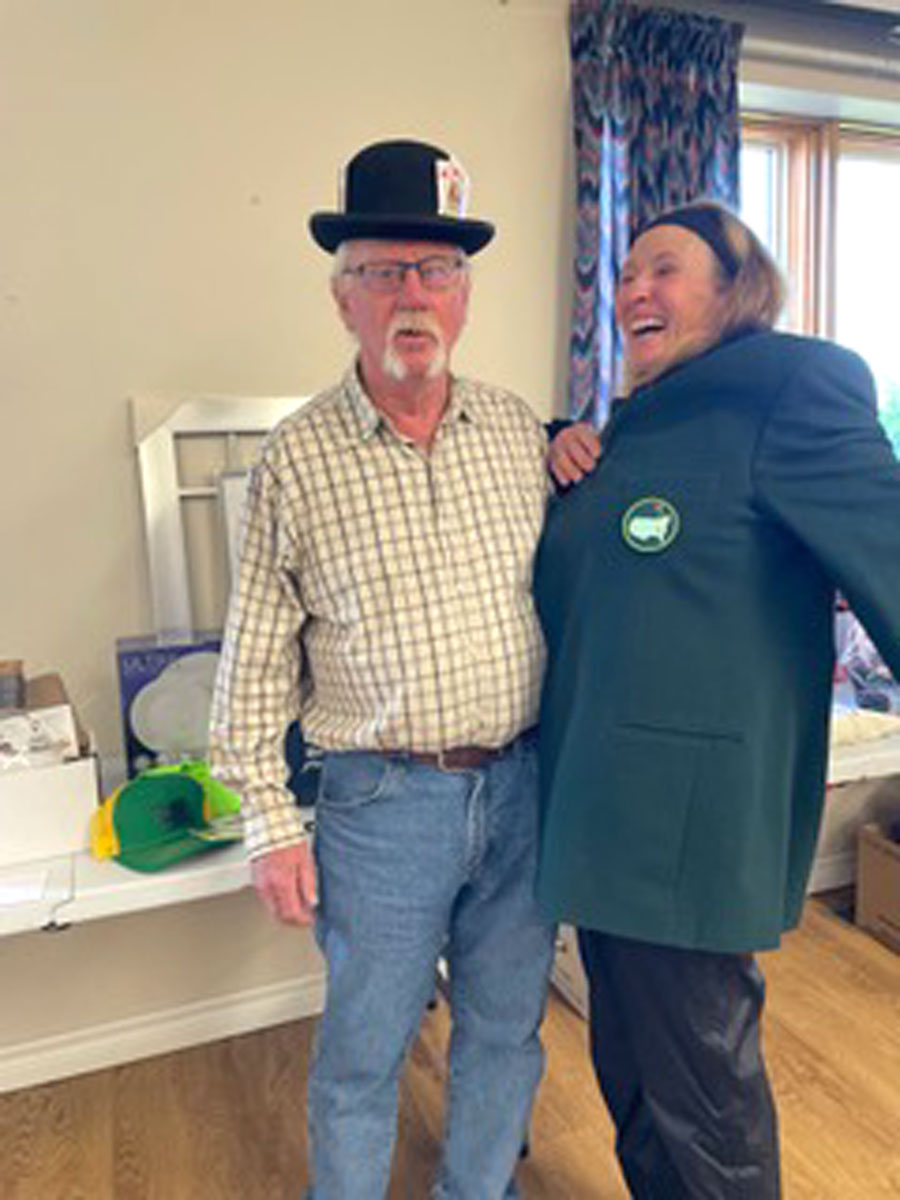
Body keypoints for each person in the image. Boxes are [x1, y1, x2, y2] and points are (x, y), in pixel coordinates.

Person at [208, 138, 556, 1200]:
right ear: (342, 298)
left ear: (465, 294)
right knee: (364, 1053)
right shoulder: (297, 459)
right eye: (383, 271)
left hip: (525, 786)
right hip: (381, 803)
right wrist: (270, 823)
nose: (413, 293)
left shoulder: (519, 433)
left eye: (436, 269)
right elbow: (254, 658)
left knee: (507, 1030)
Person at [537, 200, 900, 1199]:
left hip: (685, 827)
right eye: (625, 275)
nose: (634, 291)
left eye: (664, 267)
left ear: (739, 288)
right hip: (599, 812)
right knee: (629, 1071)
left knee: (702, 1093)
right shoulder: (635, 420)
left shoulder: (790, 387)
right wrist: (557, 444)